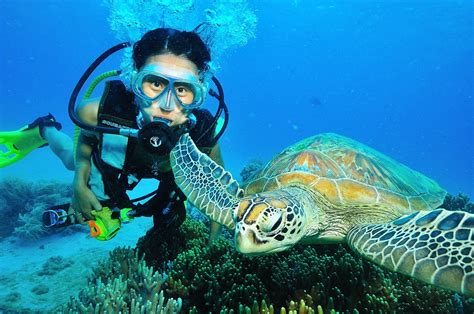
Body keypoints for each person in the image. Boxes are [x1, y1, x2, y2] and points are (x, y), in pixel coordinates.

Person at [0, 28, 225, 240]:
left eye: (183, 90)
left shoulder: (204, 133)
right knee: (71, 160)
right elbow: (87, 138)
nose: (166, 105)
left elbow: (218, 194)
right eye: (155, 83)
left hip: (163, 173)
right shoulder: (93, 113)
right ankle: (45, 129)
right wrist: (79, 181)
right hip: (116, 157)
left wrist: (213, 246)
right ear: (134, 80)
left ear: (200, 93)